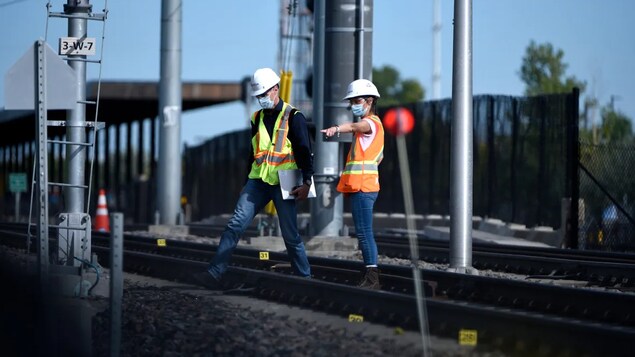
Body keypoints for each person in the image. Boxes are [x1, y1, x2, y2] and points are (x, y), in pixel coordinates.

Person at [193, 67, 314, 289]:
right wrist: (245, 185)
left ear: (276, 89)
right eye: (258, 96)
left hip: (284, 181)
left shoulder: (294, 117)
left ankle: (304, 278)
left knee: (290, 233)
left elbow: (304, 151)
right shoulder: (256, 118)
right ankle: (215, 272)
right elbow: (253, 152)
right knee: (235, 224)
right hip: (257, 182)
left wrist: (307, 182)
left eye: (264, 94)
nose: (261, 99)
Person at [321, 79, 384, 289]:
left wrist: (336, 129)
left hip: (363, 187)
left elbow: (356, 125)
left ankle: (372, 277)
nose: (353, 105)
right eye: (352, 102)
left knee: (364, 233)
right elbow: (379, 158)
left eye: (356, 100)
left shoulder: (370, 124)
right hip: (365, 186)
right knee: (364, 232)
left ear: (369, 100)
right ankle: (369, 272)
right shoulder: (376, 129)